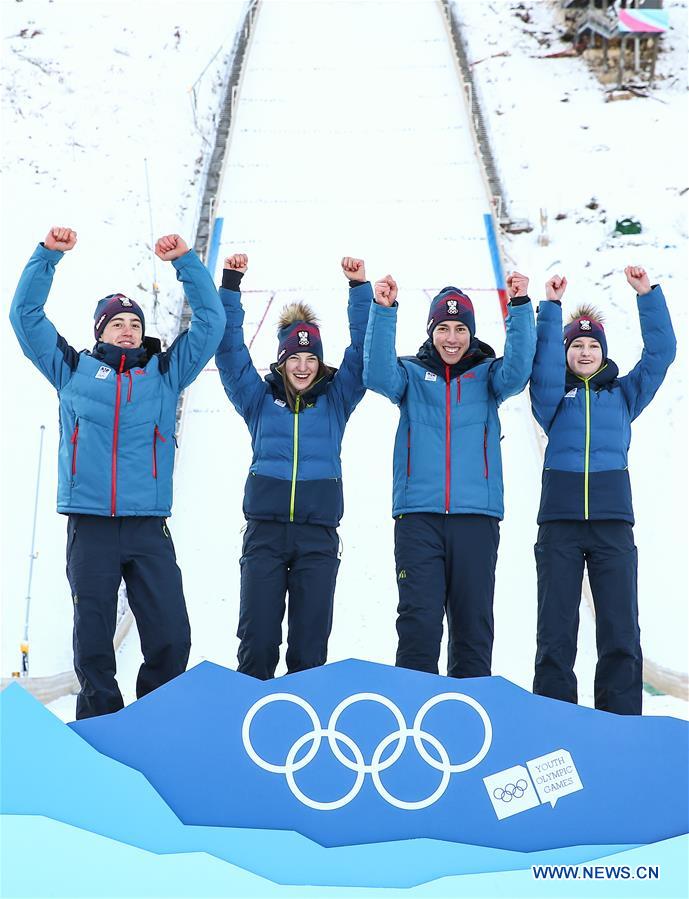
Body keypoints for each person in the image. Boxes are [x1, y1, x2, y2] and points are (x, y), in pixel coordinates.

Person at [10, 227, 225, 718]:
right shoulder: (71, 369)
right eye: (116, 324)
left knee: (171, 632)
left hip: (148, 525)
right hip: (91, 526)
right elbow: (25, 317)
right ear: (99, 333)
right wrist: (48, 257)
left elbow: (210, 324)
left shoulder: (166, 373)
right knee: (93, 641)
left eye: (134, 322)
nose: (127, 330)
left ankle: (156, 717)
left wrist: (187, 263)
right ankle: (101, 724)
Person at [363, 272, 536, 677]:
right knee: (418, 625)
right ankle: (413, 719)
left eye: (461, 329)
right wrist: (384, 311)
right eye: (444, 328)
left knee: (473, 627)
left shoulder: (489, 375)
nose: (452, 338)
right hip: (418, 518)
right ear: (431, 331)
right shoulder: (409, 375)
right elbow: (375, 374)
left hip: (476, 518)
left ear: (472, 334)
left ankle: (468, 724)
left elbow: (518, 370)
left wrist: (521, 308)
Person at [215, 253, 372, 679]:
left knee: (309, 650)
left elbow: (362, 352)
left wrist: (359, 289)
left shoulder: (336, 400)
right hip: (264, 535)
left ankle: (303, 735)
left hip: (318, 538)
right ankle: (249, 731)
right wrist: (230, 285)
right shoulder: (258, 400)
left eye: (310, 359)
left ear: (319, 363)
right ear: (281, 361)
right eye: (294, 359)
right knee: (257, 644)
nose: (303, 366)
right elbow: (229, 353)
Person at [530, 266, 676, 715]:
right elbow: (544, 369)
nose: (586, 352)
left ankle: (621, 722)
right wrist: (551, 309)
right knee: (556, 629)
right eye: (577, 345)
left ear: (604, 352)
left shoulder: (624, 395)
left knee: (619, 629)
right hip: (560, 525)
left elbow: (661, 354)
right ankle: (553, 716)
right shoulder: (552, 398)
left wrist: (647, 296)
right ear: (565, 353)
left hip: (612, 523)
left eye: (594, 345)